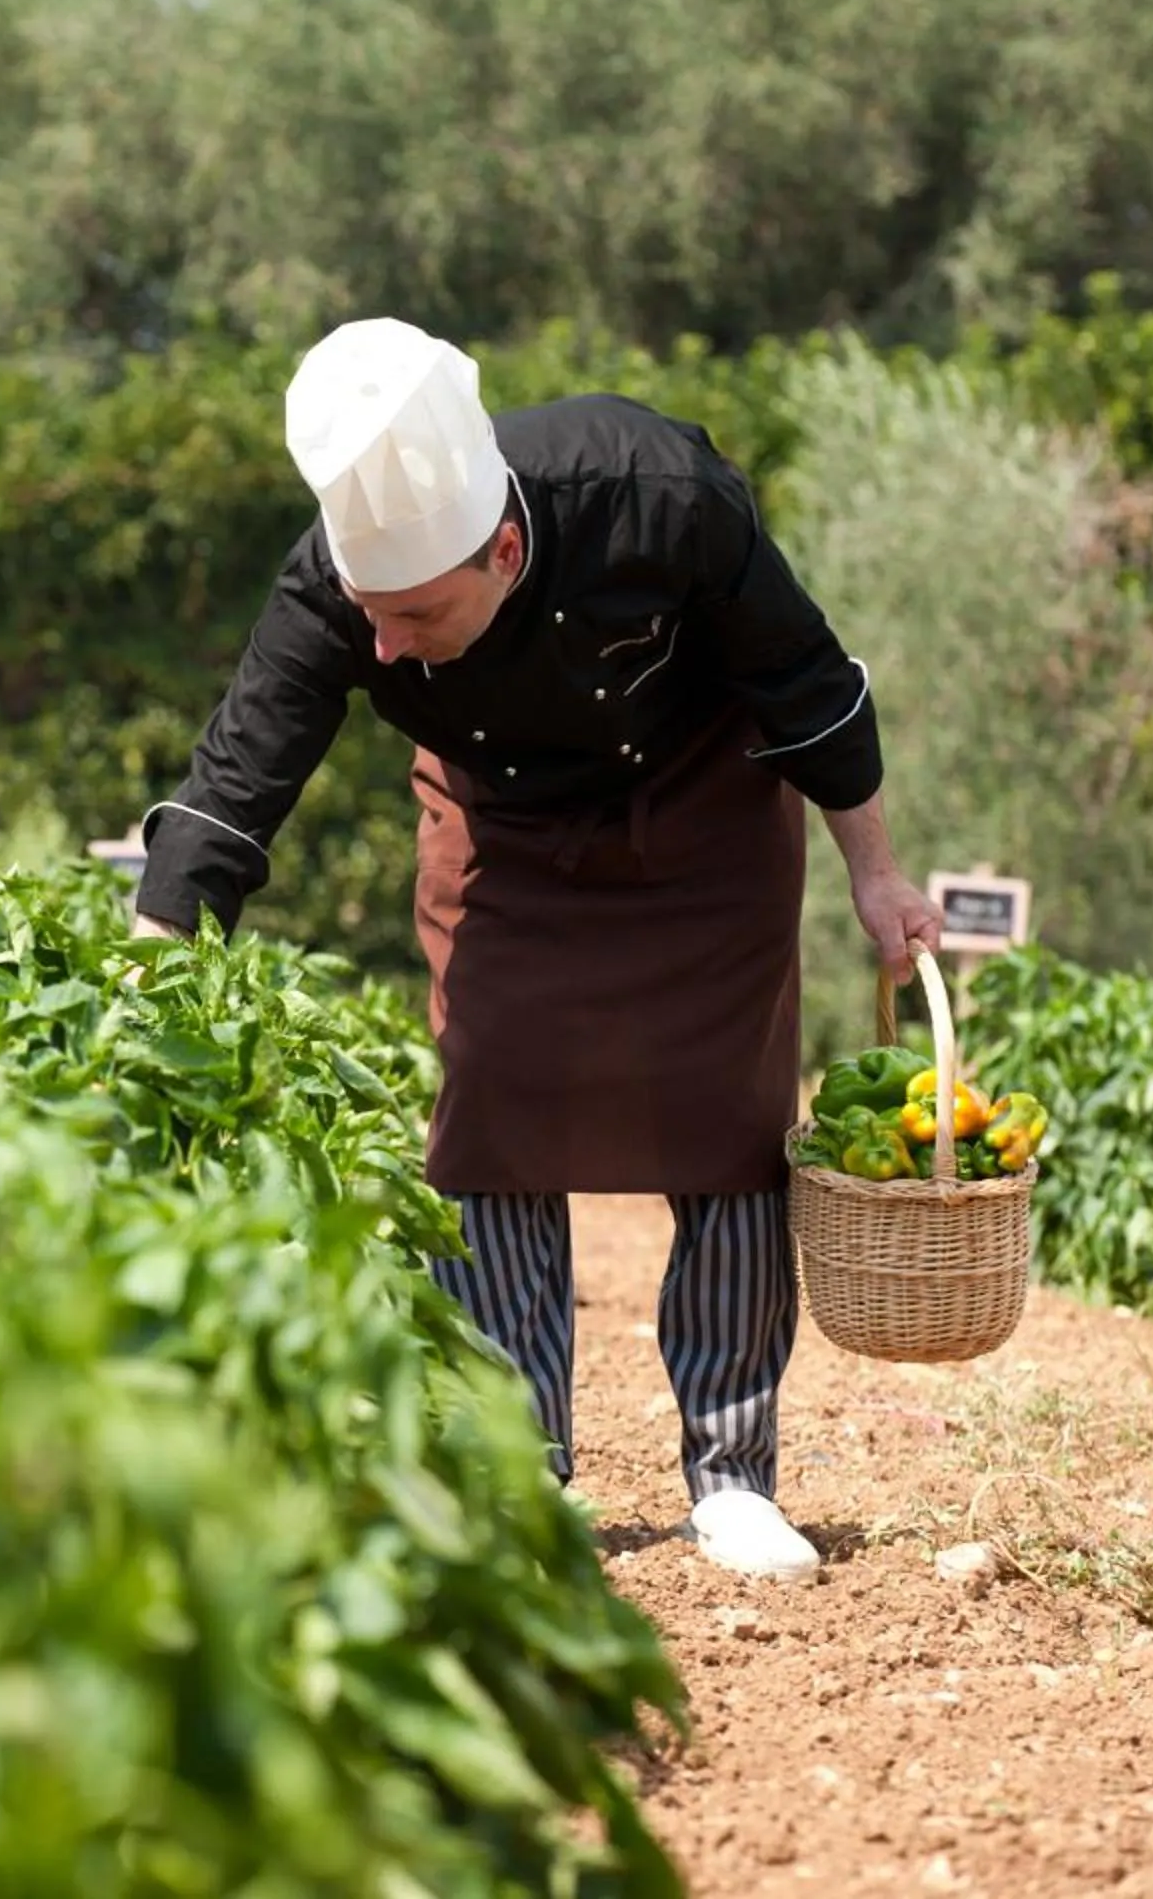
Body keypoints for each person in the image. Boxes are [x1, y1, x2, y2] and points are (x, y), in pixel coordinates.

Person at [126, 316, 944, 1584]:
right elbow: (242, 772)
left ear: (505, 548)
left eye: (411, 616)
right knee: (492, 1098)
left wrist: (878, 875)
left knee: (724, 1118)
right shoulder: (341, 589)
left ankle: (732, 1477)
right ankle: (524, 1468)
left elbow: (806, 681)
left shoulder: (659, 492)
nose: (382, 647)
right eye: (369, 616)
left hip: (701, 807)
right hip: (498, 816)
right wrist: (151, 954)